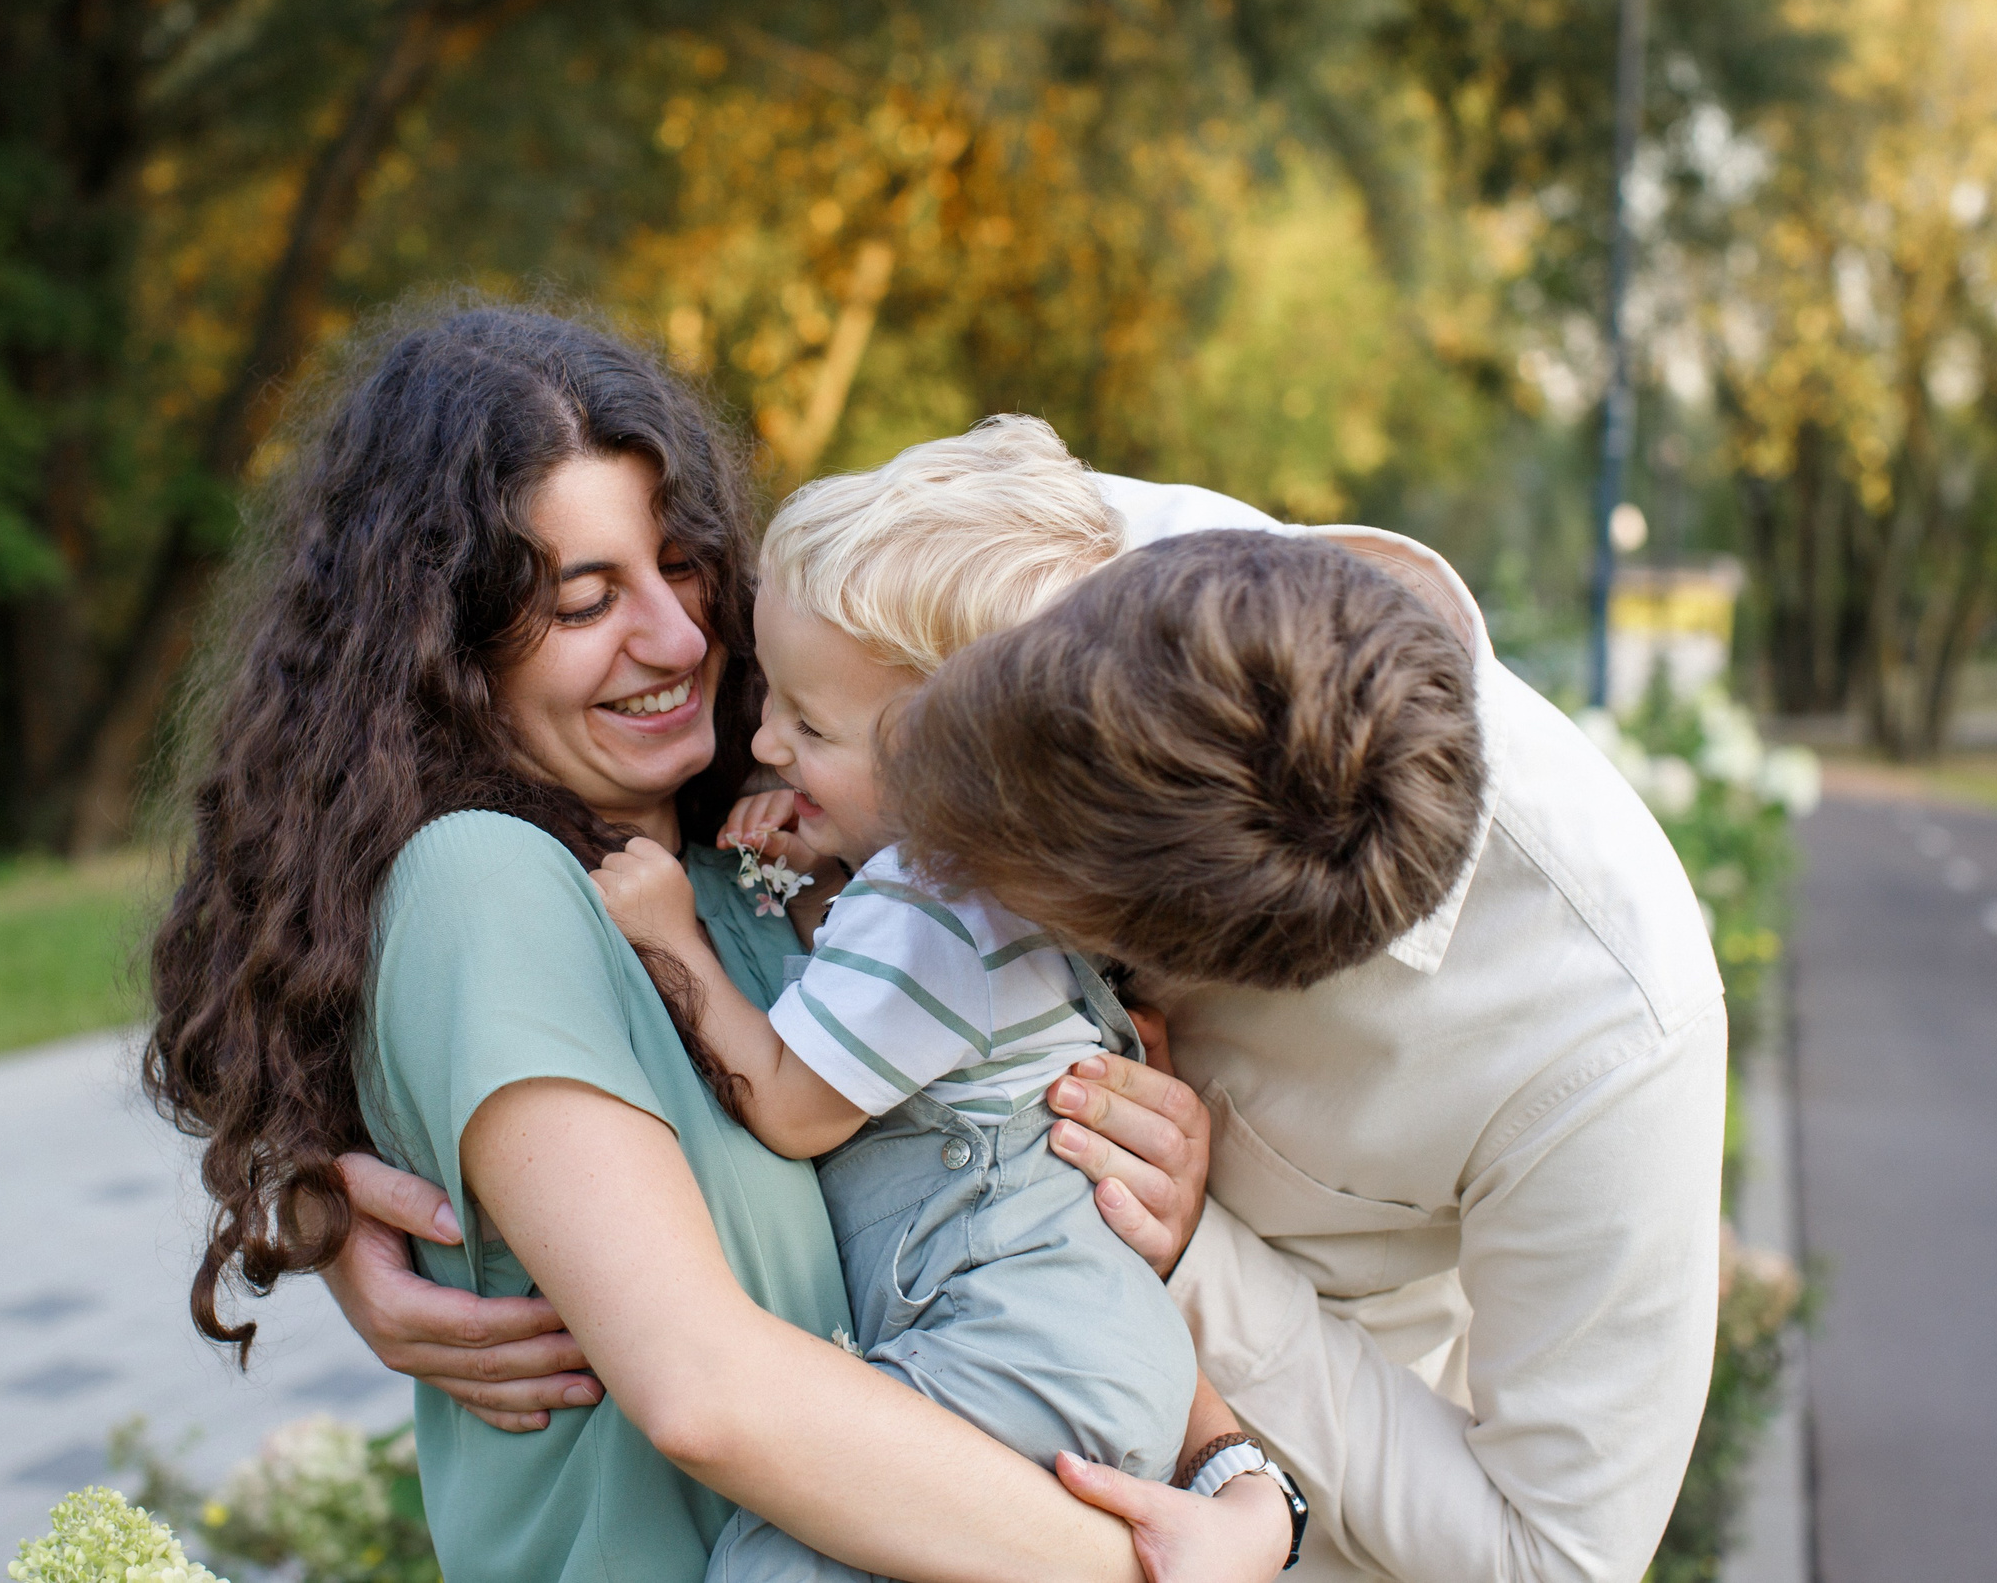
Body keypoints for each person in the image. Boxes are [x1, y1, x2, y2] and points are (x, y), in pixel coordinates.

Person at [325, 447, 1726, 1583]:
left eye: (1045, 925)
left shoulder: (1604, 1034)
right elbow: (592, 681)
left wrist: (1234, 1403)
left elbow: (1555, 1556)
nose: (966, 914)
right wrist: (305, 1172)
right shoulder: (1013, 559)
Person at [143, 304, 1290, 1583]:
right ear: (441, 655)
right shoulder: (491, 882)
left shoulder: (782, 881)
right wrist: (1147, 1572)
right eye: (586, 601)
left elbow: (1011, 1254)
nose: (681, 640)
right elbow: (707, 1390)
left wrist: (1240, 1486)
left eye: (682, 565)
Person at [590, 423, 1326, 1581]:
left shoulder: (926, 910)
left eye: (811, 726)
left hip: (1017, 1345)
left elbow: (790, 1106)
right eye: (772, 699)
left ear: (953, 767)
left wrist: (669, 938)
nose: (766, 740)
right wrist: (836, 846)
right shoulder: (979, 892)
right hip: (1088, 1354)